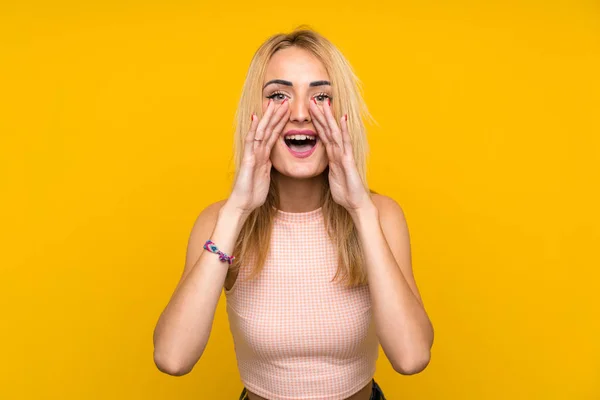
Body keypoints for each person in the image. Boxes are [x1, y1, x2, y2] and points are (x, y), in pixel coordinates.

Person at [153, 26, 434, 400]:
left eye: (321, 96)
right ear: (255, 114)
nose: (301, 113)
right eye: (279, 95)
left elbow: (412, 356)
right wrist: (237, 210)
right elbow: (172, 358)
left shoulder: (379, 215)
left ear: (342, 116)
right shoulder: (219, 222)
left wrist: (359, 210)